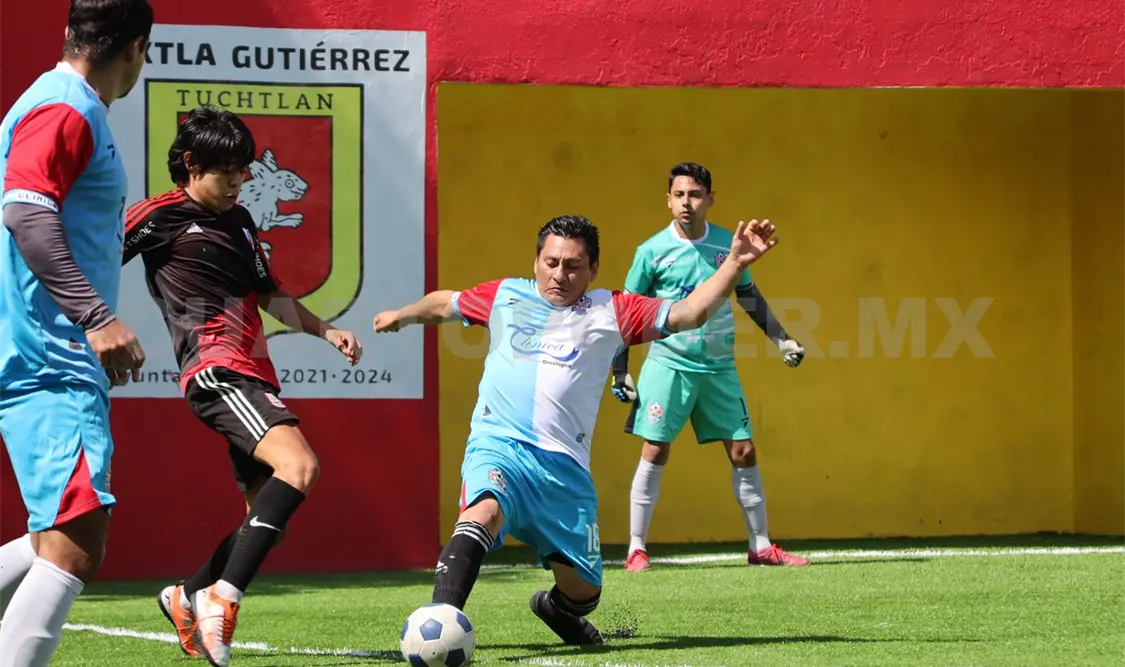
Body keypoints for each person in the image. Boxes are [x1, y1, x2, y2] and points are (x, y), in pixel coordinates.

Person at [372, 214, 779, 645]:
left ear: (593, 270)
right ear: (536, 262)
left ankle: (556, 609)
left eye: (572, 266)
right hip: (500, 446)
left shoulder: (613, 308)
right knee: (482, 512)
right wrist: (402, 315)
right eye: (551, 263)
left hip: (563, 471)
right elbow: (446, 304)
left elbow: (688, 313)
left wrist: (734, 262)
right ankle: (441, 621)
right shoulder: (504, 295)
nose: (559, 275)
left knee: (584, 592)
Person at [122, 106, 362, 667]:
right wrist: (91, 322)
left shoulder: (241, 222)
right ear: (190, 164)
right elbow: (88, 259)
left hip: (254, 370)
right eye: (227, 170)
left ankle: (186, 593)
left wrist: (328, 332)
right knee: (299, 467)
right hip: (215, 369)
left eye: (244, 169)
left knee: (267, 525)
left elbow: (269, 296)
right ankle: (221, 600)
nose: (238, 181)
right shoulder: (157, 216)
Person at [0, 1, 153, 664]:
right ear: (136, 49)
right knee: (76, 537)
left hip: (42, 351)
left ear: (69, 33)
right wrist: (96, 315)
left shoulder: (56, 100)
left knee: (54, 532)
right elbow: (26, 216)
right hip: (48, 356)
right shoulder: (68, 107)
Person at [609, 162, 809, 572]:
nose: (687, 203)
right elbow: (625, 314)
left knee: (744, 450)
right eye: (679, 195)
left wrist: (782, 338)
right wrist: (620, 369)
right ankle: (636, 548)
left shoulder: (727, 245)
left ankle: (761, 546)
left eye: (695, 194)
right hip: (668, 365)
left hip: (719, 367)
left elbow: (749, 296)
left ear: (710, 199)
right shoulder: (650, 252)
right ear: (668, 200)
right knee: (655, 449)